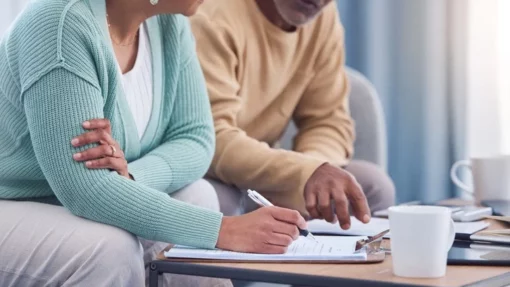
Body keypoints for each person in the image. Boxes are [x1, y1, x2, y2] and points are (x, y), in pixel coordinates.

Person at [0, 0, 308, 286]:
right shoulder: (58, 24)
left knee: (198, 194)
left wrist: (132, 176)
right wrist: (222, 230)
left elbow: (196, 138)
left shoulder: (169, 24)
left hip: (65, 200)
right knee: (110, 249)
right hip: (11, 203)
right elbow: (85, 189)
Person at [191, 0, 396, 229]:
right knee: (217, 203)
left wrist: (312, 176)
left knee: (374, 186)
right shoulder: (213, 16)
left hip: (267, 172)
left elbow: (328, 120)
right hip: (213, 172)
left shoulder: (323, 17)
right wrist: (304, 173)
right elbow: (212, 139)